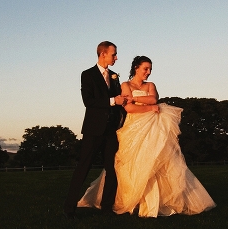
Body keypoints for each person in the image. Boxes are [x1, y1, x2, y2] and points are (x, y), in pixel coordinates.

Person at [78, 55, 215, 217]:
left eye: (150, 69)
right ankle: (131, 200)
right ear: (136, 68)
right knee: (130, 163)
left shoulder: (151, 85)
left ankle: (154, 202)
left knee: (156, 161)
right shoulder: (125, 84)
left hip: (152, 127)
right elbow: (129, 109)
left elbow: (153, 98)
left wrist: (136, 98)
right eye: (145, 69)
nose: (148, 72)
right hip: (134, 127)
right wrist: (149, 108)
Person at [63, 39, 126, 217]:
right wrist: (114, 101)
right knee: (83, 167)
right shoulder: (87, 74)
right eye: (114, 54)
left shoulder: (115, 76)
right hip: (93, 129)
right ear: (103, 54)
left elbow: (119, 101)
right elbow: (88, 102)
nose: (116, 57)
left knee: (112, 170)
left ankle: (107, 209)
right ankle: (69, 208)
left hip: (111, 130)